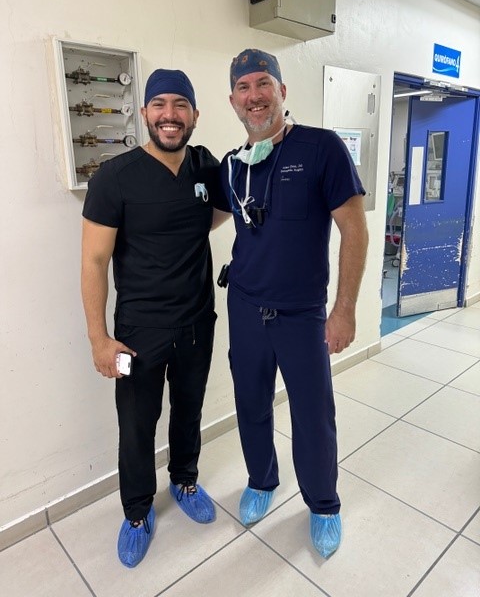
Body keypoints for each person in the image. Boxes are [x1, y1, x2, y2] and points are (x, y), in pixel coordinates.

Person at [213, 49, 369, 558]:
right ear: (233, 100)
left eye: (263, 83)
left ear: (281, 91)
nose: (254, 96)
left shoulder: (321, 148)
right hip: (245, 306)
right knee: (251, 403)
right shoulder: (232, 166)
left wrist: (343, 309)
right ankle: (262, 480)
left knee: (313, 413)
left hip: (301, 314)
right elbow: (204, 220)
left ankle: (323, 504)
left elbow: (354, 230)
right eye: (243, 87)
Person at [81, 69, 225, 568]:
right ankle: (138, 512)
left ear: (194, 115)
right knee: (137, 425)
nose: (170, 114)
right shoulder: (114, 177)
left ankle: (185, 481)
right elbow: (94, 261)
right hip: (138, 332)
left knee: (189, 410)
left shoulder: (206, 167)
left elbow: (213, 216)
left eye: (180, 105)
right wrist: (99, 339)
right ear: (144, 113)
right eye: (160, 104)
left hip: (197, 322)